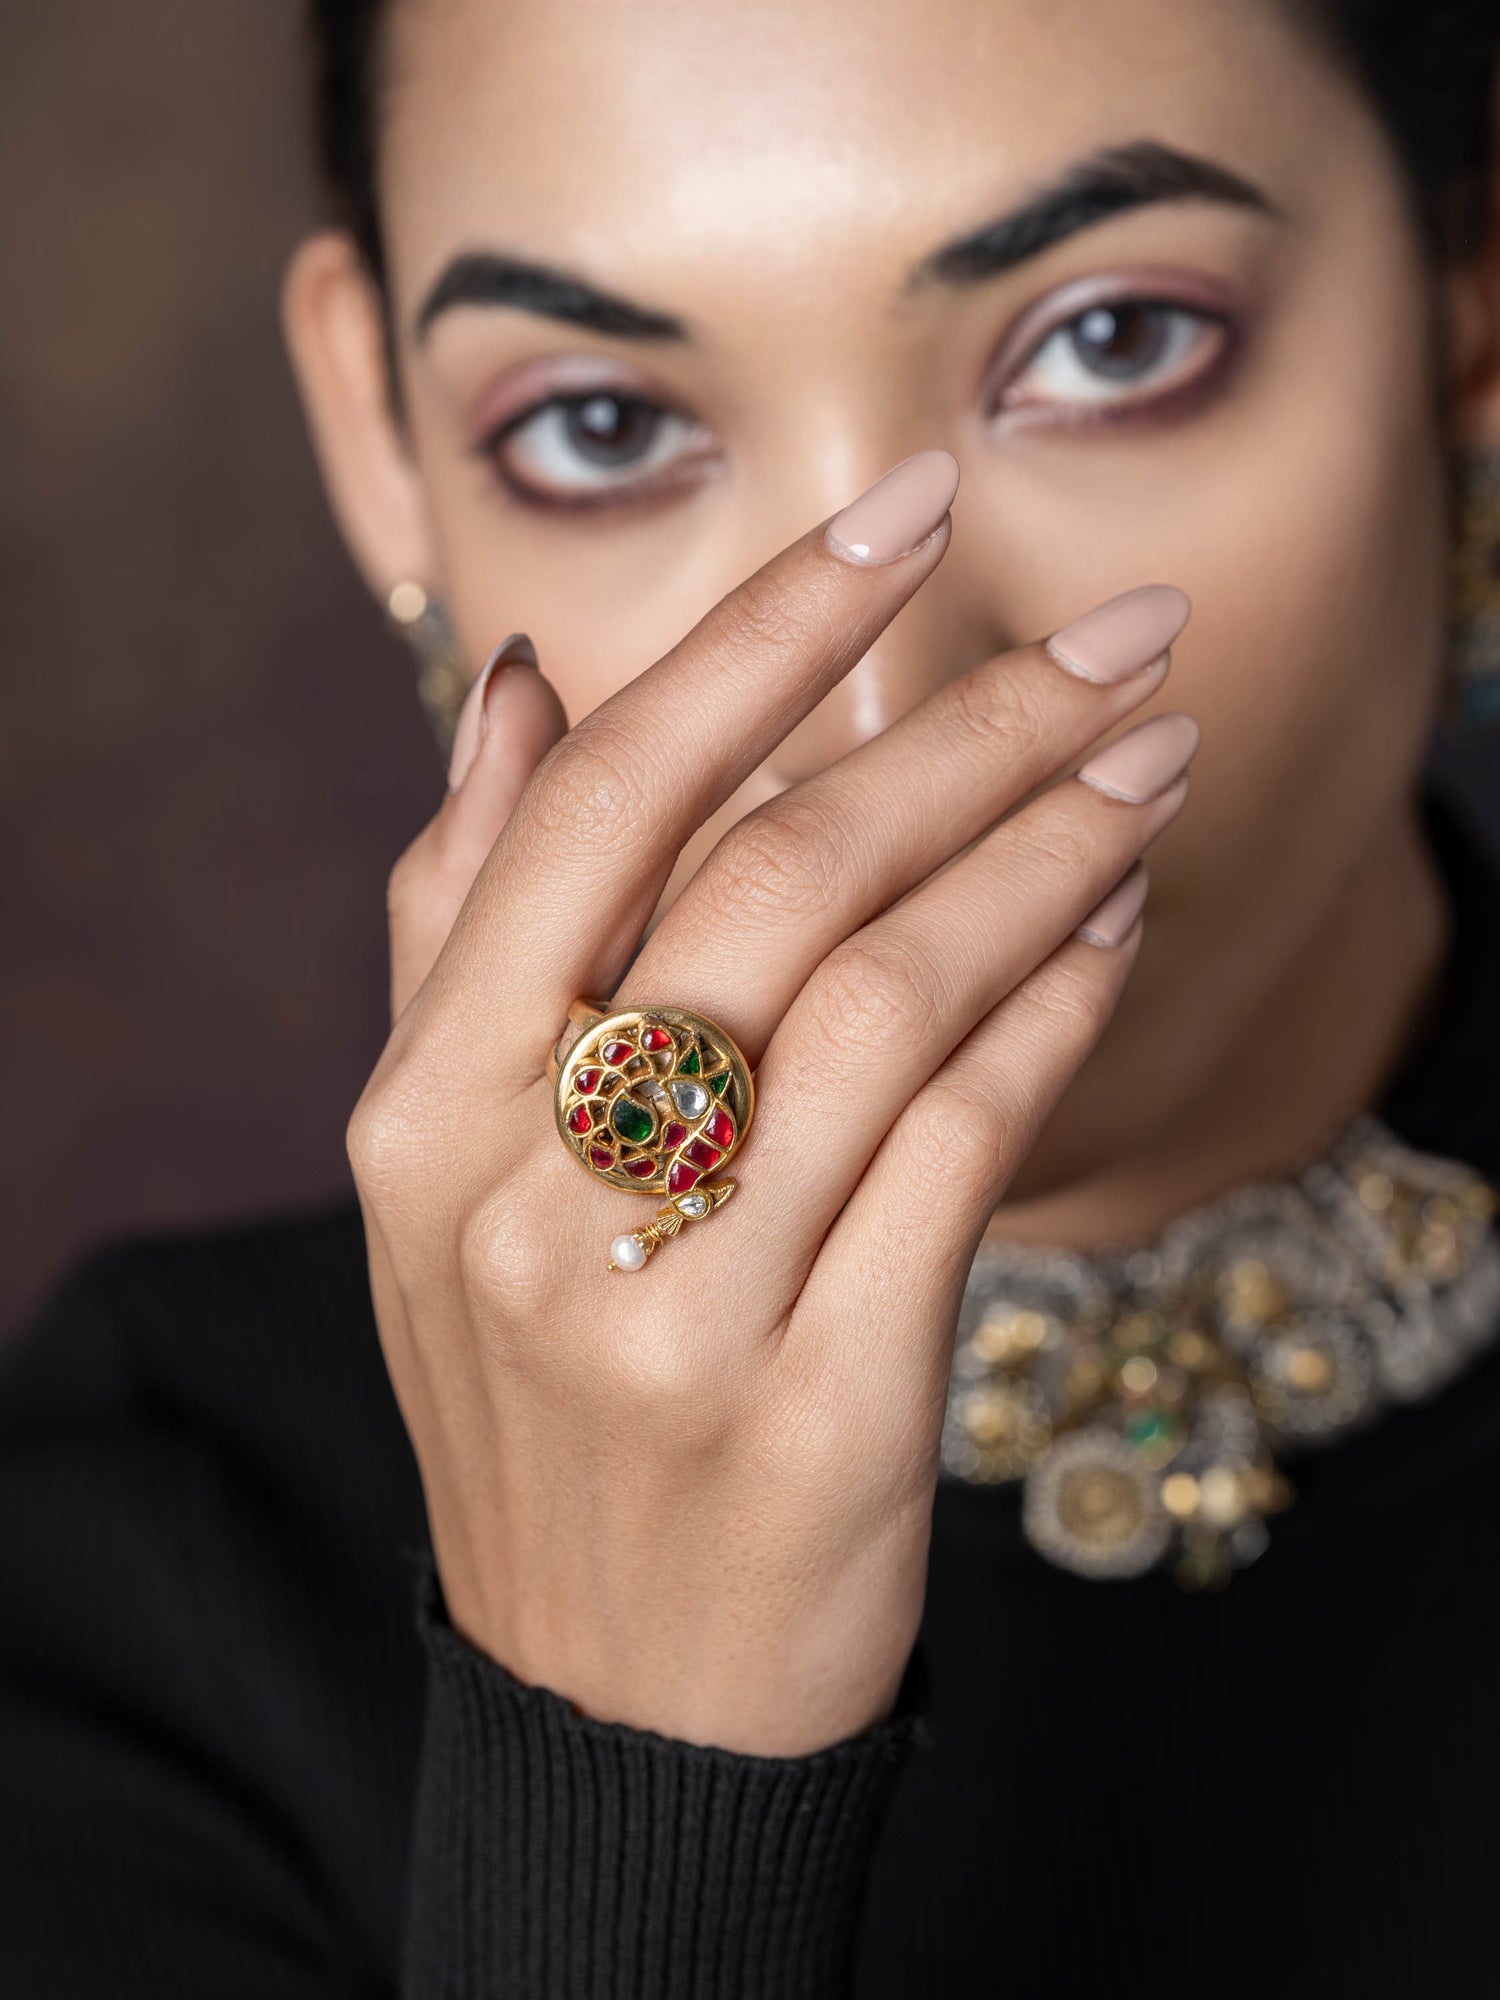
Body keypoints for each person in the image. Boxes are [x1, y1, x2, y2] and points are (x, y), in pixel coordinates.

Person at [5, 0, 1500, 1991]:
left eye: (1113, 341)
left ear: (1470, 317)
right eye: (605, 425)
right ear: (381, 443)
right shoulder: (128, 1579)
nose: (880, 714)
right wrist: (617, 1781)